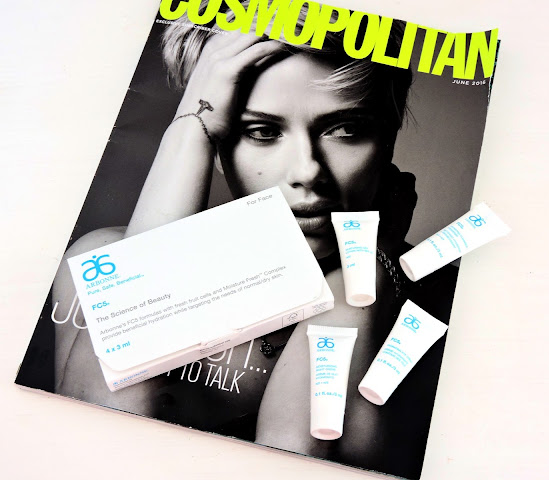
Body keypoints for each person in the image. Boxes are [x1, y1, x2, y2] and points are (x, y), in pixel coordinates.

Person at [51, 3, 458, 478]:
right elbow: (92, 448)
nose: (307, 171)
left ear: (387, 137)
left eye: (345, 129)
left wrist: (359, 286)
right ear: (216, 146)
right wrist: (190, 128)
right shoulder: (98, 263)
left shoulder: (444, 305)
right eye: (261, 131)